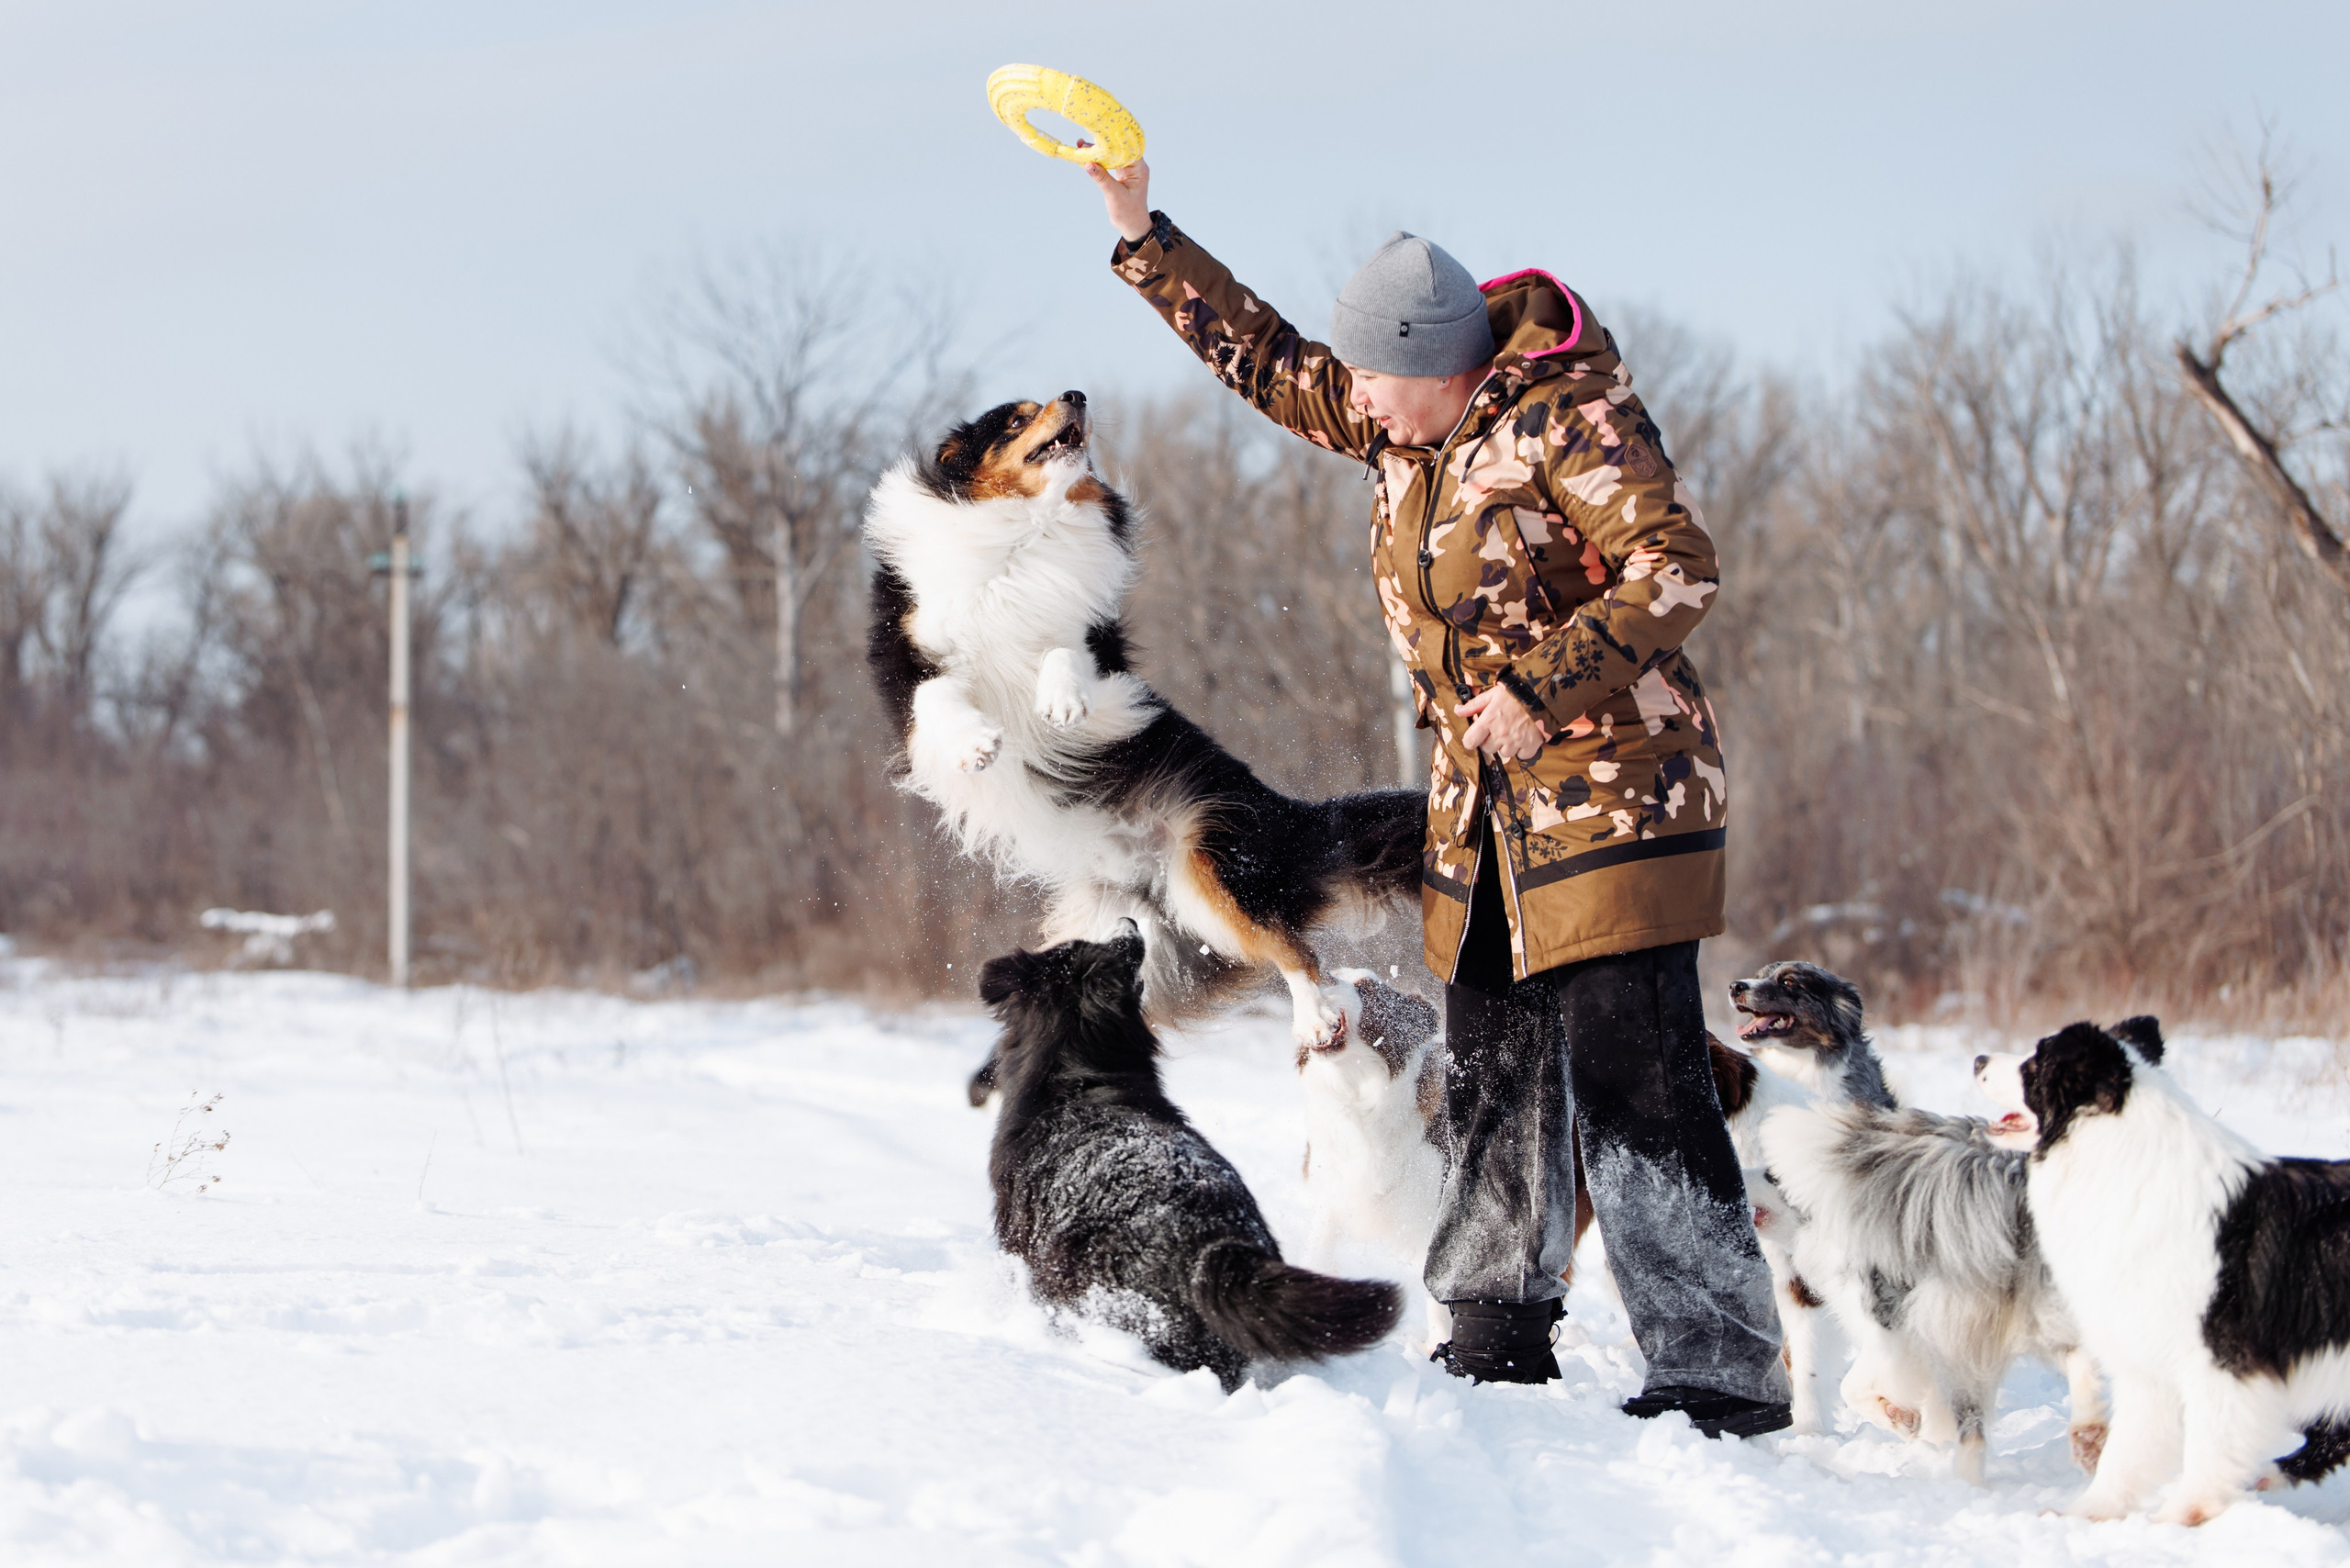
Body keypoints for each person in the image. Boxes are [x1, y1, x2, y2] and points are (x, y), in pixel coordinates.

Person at [1081, 158, 1790, 1438]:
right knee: (1495, 1064)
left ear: (1436, 360)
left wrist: (1543, 684)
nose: (1351, 402)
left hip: (1616, 796)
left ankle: (1717, 1373)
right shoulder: (1404, 424)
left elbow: (1675, 567)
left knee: (1640, 1080)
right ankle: (1493, 1325)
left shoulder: (1562, 418)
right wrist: (1141, 231)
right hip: (1488, 813)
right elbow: (1270, 363)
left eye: (1370, 378)